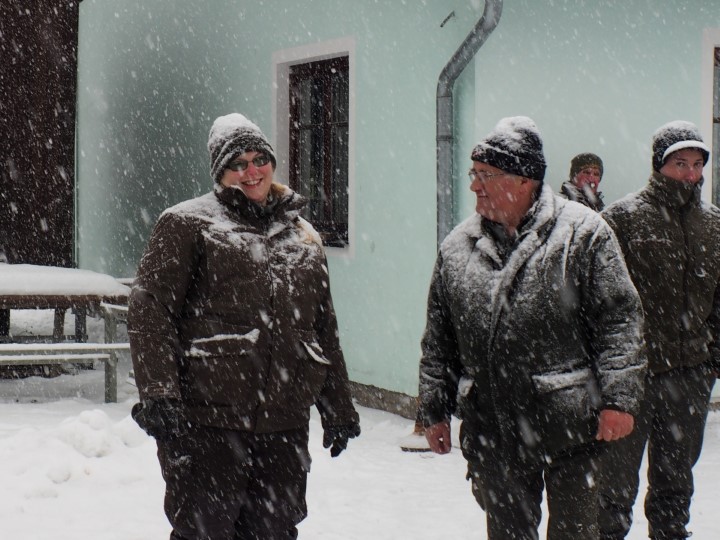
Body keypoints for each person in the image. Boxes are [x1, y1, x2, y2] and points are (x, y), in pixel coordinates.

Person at [128, 113, 360, 540]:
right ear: (220, 172)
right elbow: (151, 309)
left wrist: (338, 408)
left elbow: (321, 327)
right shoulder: (187, 224)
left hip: (283, 423)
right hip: (209, 420)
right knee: (204, 530)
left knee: (274, 530)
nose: (251, 172)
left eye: (259, 160)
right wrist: (159, 392)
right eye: (237, 164)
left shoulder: (302, 235)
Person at [419, 116, 646, 540]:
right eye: (474, 174)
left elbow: (620, 320)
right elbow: (439, 339)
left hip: (573, 426)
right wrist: (434, 409)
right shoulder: (458, 248)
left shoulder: (583, 234)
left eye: (487, 175)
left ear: (525, 180)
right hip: (495, 426)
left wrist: (619, 399)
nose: (475, 185)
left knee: (575, 533)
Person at [598, 121, 720, 540]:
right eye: (680, 163)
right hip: (632, 377)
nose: (690, 174)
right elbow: (597, 300)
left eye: (697, 164)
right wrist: (609, 367)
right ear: (658, 165)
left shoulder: (713, 225)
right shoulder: (622, 219)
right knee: (613, 486)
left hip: (689, 376)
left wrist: (711, 360)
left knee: (675, 483)